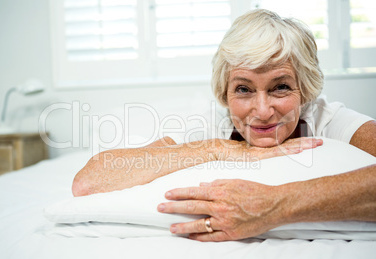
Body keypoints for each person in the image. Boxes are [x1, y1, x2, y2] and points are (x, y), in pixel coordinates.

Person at [72, 9, 376, 242]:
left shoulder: (328, 119)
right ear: (225, 93)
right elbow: (88, 182)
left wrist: (274, 205)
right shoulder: (211, 125)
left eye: (280, 87)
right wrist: (222, 148)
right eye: (243, 89)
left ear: (305, 90)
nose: (262, 111)